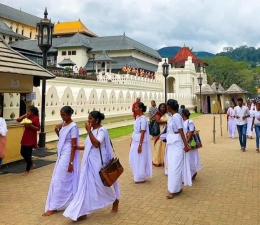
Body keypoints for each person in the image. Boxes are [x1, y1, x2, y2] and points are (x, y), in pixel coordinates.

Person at [63, 111, 120, 221]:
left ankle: (114, 199)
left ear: (97, 120)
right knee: (85, 186)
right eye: (88, 118)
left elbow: (97, 144)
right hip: (88, 162)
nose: (88, 121)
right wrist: (78, 147)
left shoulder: (102, 130)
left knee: (100, 185)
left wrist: (89, 131)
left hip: (98, 163)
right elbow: (89, 146)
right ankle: (81, 211)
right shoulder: (93, 131)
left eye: (91, 119)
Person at [43, 106, 80, 216]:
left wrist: (71, 163)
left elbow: (74, 145)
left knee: (60, 179)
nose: (62, 117)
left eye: (64, 115)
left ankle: (54, 206)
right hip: (61, 153)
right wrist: (57, 131)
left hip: (68, 154)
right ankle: (60, 203)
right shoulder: (62, 124)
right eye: (61, 114)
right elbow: (62, 138)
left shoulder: (73, 127)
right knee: (58, 179)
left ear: (70, 115)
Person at [165, 99, 190, 199]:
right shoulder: (171, 117)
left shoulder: (177, 117)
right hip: (172, 143)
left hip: (178, 144)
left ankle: (173, 190)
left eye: (167, 106)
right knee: (172, 166)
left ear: (169, 107)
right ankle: (177, 187)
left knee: (175, 167)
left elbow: (181, 131)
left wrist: (186, 145)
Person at [129, 102, 152, 183]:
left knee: (140, 159)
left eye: (136, 107)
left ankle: (141, 176)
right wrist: (132, 140)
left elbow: (143, 132)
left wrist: (140, 145)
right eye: (134, 108)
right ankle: (137, 174)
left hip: (140, 141)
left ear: (141, 109)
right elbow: (134, 131)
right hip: (135, 139)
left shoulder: (143, 119)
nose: (135, 109)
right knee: (132, 158)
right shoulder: (137, 118)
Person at [16, 105, 40, 175]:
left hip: (31, 137)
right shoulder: (26, 117)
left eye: (28, 111)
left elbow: (38, 128)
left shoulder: (35, 118)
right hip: (25, 136)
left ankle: (27, 170)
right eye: (27, 111)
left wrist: (31, 126)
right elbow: (18, 120)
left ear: (32, 112)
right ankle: (31, 163)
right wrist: (24, 115)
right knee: (22, 152)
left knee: (28, 154)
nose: (27, 112)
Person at [182, 109, 202, 180]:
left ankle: (193, 172)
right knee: (187, 158)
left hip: (190, 142)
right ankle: (190, 173)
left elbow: (191, 133)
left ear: (183, 115)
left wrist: (186, 142)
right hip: (185, 141)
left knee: (191, 158)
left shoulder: (190, 122)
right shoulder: (183, 122)